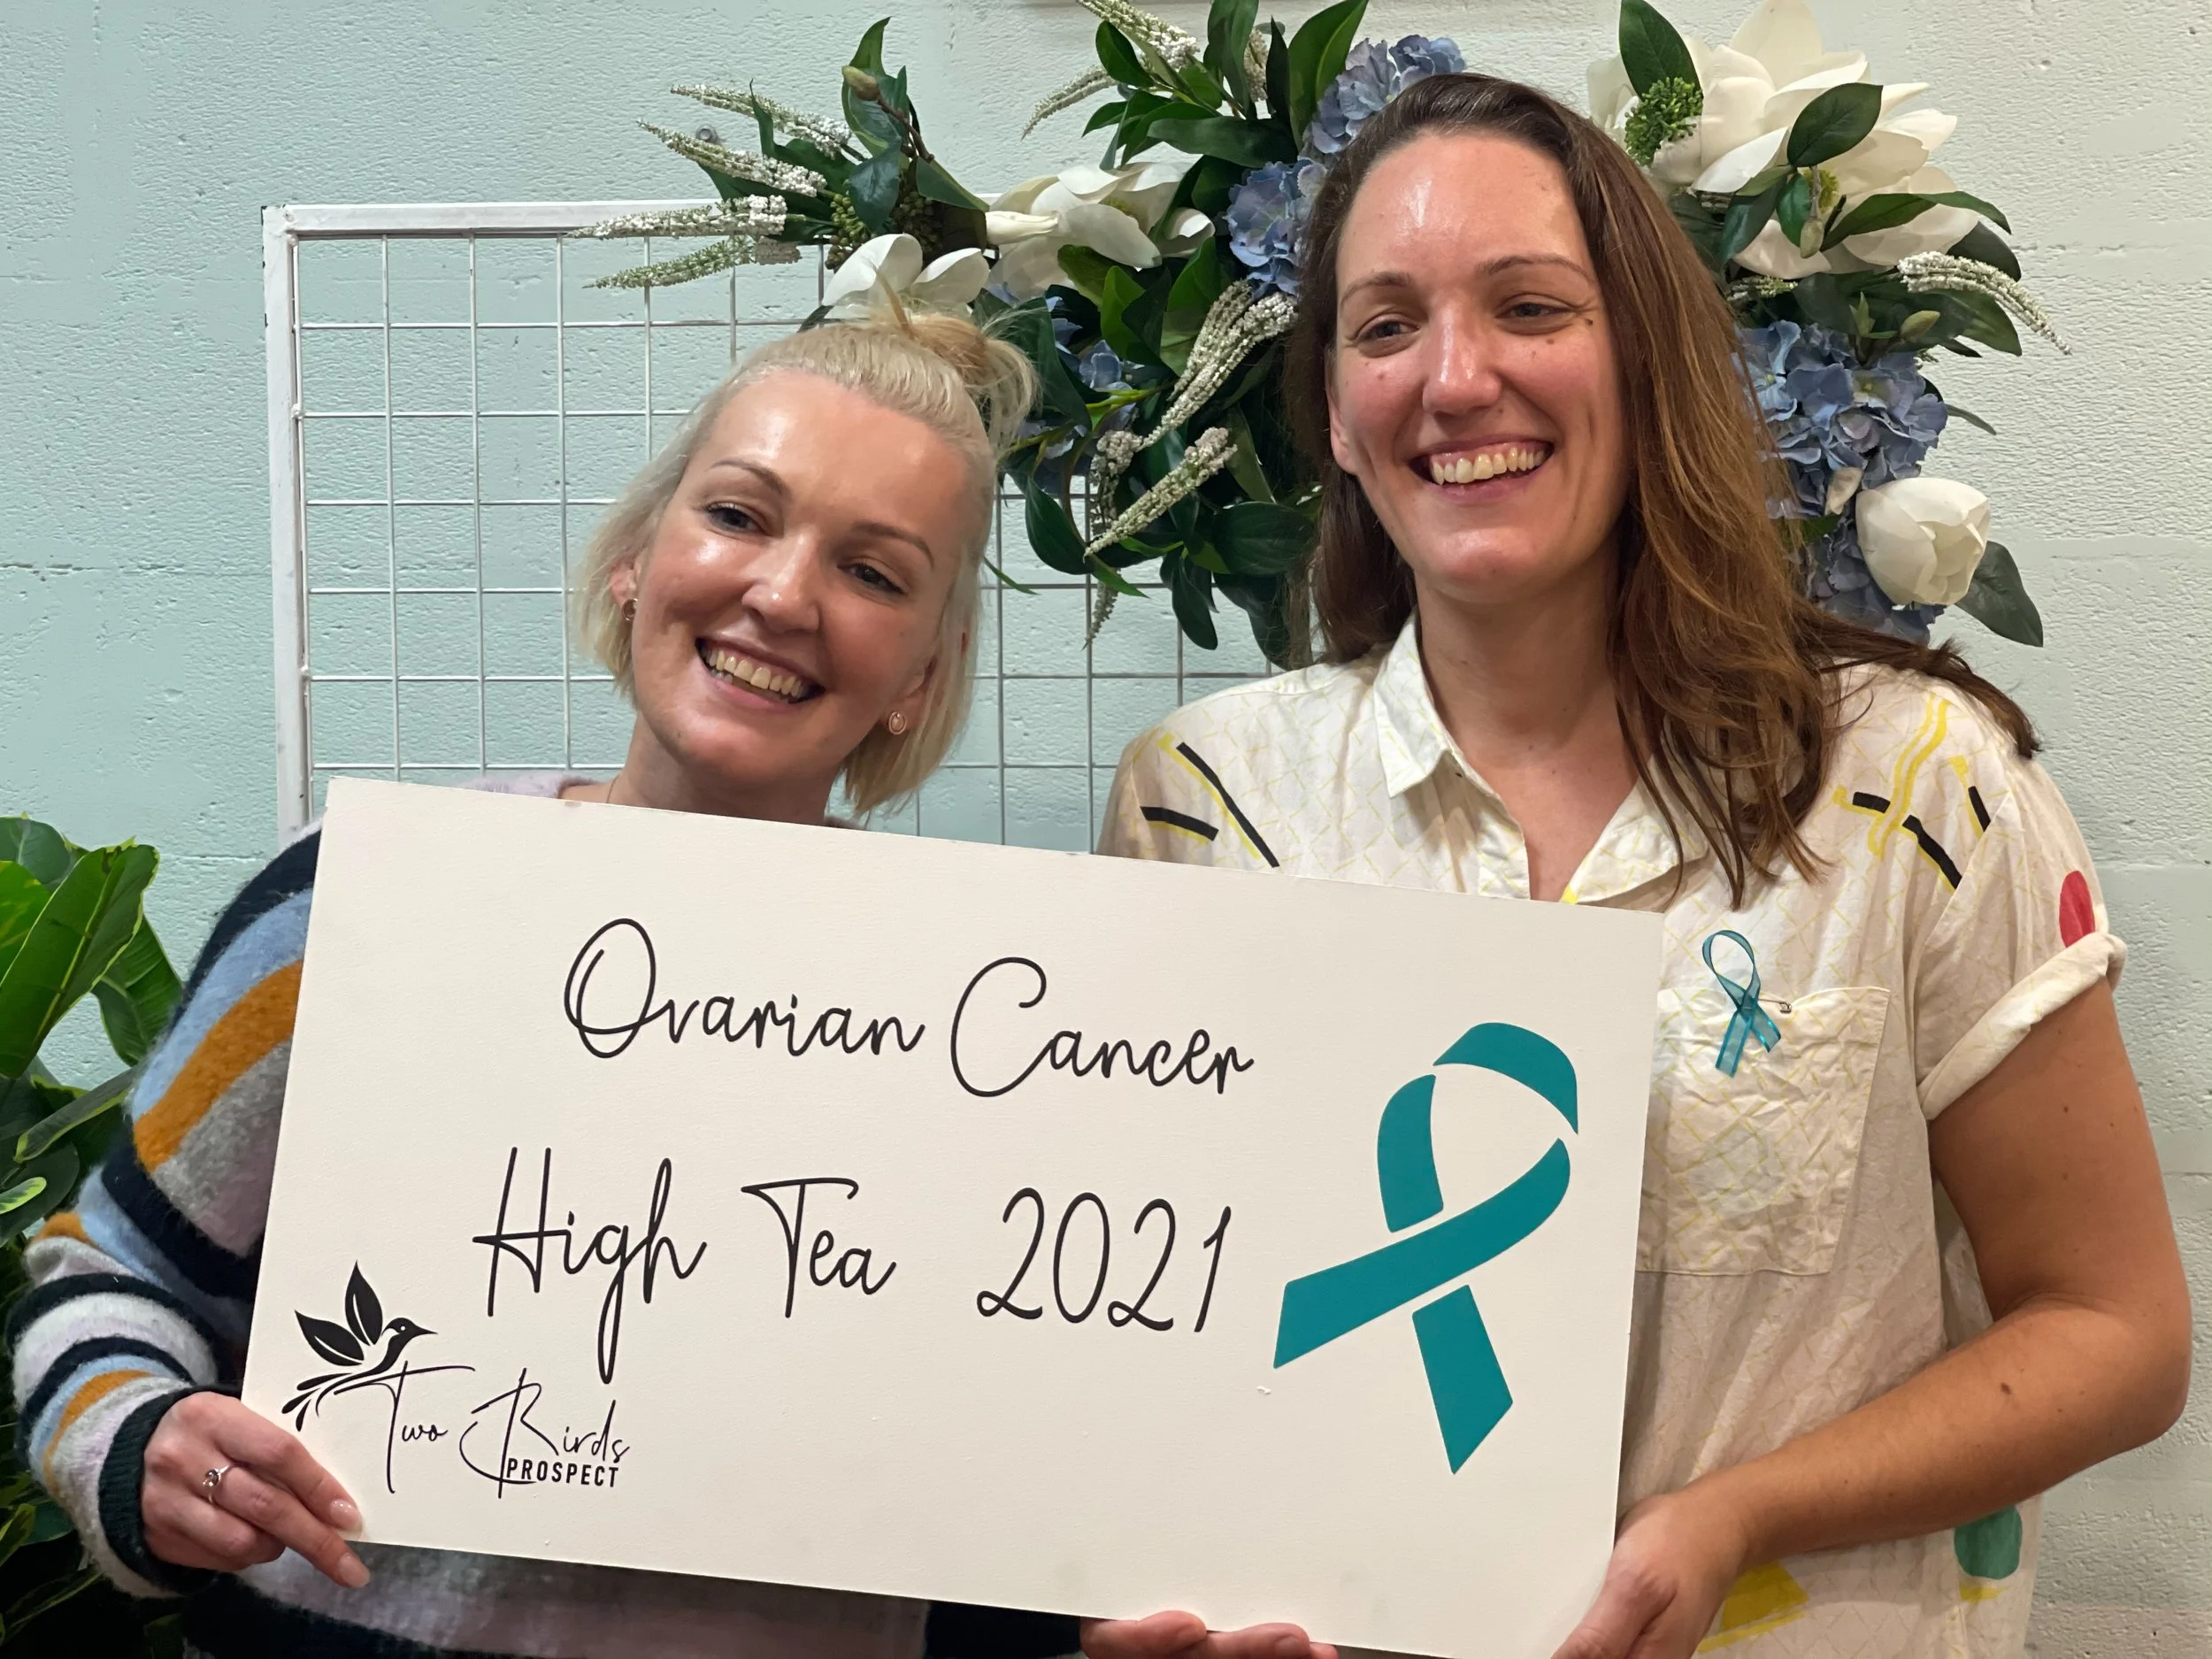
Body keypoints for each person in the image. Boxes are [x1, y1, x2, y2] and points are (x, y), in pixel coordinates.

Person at [1096, 74, 2189, 1659]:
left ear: (1645, 357)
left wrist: (1736, 1513)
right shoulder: (1206, 808)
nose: (1456, 377)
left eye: (1529, 306)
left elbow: (2119, 1332)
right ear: (1333, 408)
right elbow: (1161, 1323)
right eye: (1386, 327)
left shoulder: (1917, 783)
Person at [12, 310, 1053, 1657]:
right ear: (637, 560)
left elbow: (1003, 1482)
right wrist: (135, 1440)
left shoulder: (986, 1024)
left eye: (872, 570)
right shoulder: (359, 904)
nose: (785, 596)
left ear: (924, 675)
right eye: (740, 515)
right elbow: (118, 1267)